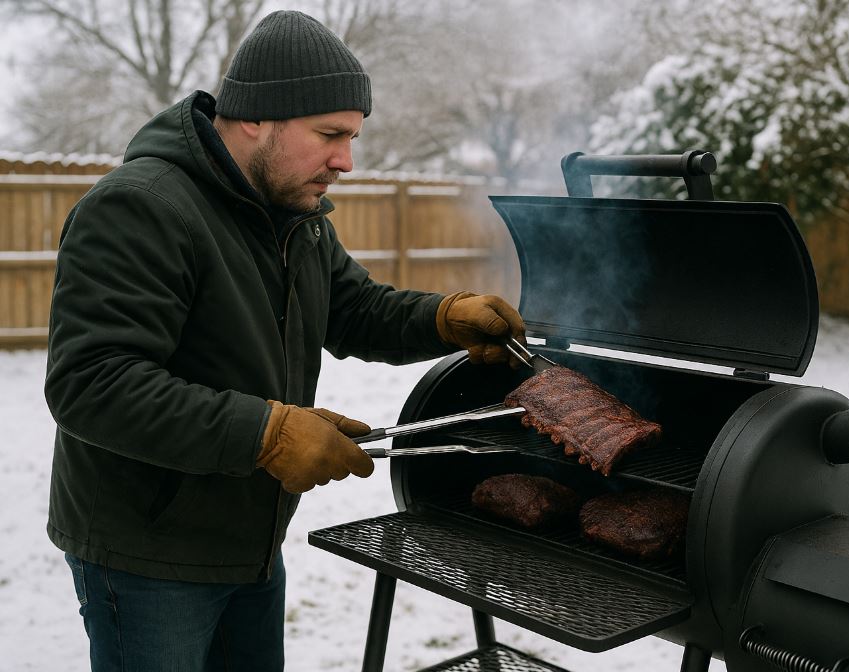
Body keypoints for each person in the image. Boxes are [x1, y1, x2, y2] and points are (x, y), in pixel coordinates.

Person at [44, 9, 525, 671]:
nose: (346, 161)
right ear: (256, 119)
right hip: (149, 553)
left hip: (252, 537)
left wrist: (444, 318)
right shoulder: (141, 207)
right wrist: (266, 432)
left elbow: (352, 309)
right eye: (330, 135)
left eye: (353, 137)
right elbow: (92, 384)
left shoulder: (296, 217)